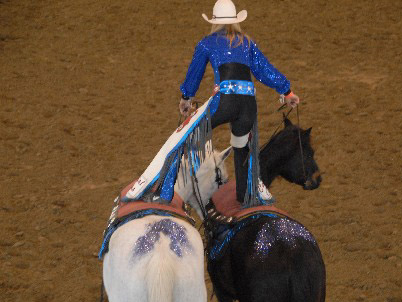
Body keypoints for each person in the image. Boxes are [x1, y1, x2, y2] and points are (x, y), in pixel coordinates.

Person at [125, 0, 299, 208]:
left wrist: (186, 97)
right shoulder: (248, 43)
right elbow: (265, 70)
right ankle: (248, 192)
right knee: (243, 146)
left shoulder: (207, 43)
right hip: (248, 105)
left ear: (214, 22)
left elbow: (194, 74)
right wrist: (287, 91)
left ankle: (163, 192)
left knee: (182, 139)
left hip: (224, 101)